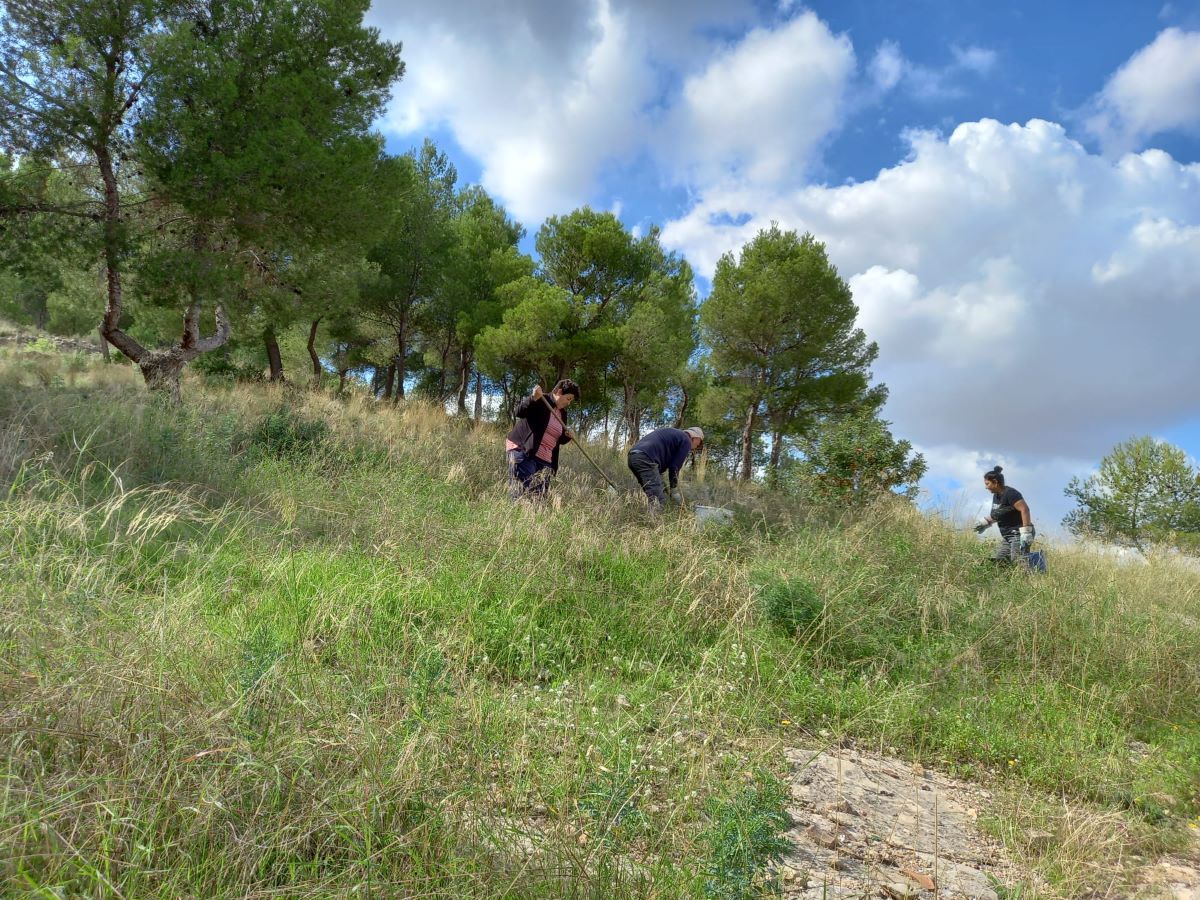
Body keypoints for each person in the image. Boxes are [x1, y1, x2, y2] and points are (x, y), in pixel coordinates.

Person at [506, 379, 579, 499]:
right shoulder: (541, 399)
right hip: (524, 452)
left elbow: (557, 439)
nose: (569, 403)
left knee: (539, 499)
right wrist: (533, 398)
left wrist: (567, 436)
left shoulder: (562, 414)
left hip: (545, 460)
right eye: (568, 398)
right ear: (559, 392)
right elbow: (519, 412)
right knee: (521, 495)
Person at [627, 426, 704, 510]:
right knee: (658, 500)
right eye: (699, 442)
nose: (697, 446)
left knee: (657, 492)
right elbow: (674, 467)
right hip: (646, 459)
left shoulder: (675, 435)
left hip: (633, 457)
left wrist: (667, 489)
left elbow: (660, 471)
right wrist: (674, 489)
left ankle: (655, 516)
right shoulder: (686, 440)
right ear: (696, 438)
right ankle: (655, 522)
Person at [974, 465, 1035, 563]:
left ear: (995, 482)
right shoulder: (996, 496)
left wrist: (1026, 532)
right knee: (998, 561)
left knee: (1018, 561)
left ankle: (1033, 573)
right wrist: (985, 522)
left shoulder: (1010, 493)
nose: (986, 487)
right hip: (1007, 535)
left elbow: (1025, 509)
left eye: (987, 484)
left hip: (1018, 533)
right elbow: (1000, 513)